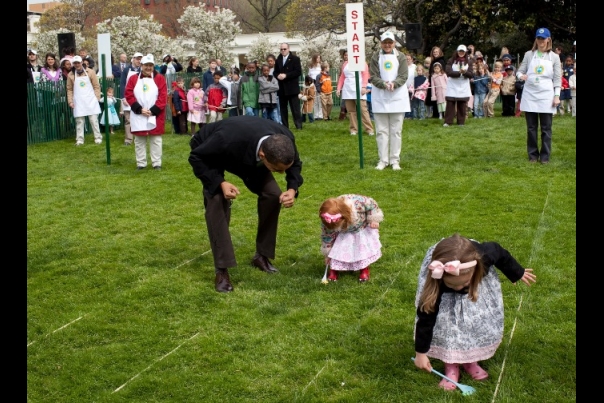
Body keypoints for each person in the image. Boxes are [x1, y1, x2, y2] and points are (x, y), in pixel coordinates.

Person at [188, 116, 304, 293]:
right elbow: (196, 157)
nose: (281, 173)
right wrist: (220, 182)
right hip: (212, 154)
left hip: (248, 152)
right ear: (263, 155)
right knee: (218, 201)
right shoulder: (226, 139)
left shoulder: (284, 138)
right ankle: (222, 270)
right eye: (277, 169)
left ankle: (261, 256)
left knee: (273, 195)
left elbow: (294, 163)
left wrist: (292, 188)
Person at [413, 234, 536, 391]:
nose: (458, 288)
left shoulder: (483, 257)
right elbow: (426, 318)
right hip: (444, 297)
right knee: (449, 328)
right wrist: (421, 353)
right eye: (452, 284)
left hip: (474, 291)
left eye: (463, 283)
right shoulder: (436, 282)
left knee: (473, 323)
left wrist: (517, 271)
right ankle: (451, 367)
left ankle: (470, 361)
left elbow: (498, 251)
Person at [516, 27, 561, 164]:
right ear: (536, 39)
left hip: (546, 94)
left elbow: (557, 78)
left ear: (548, 39)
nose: (541, 41)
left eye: (543, 38)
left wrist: (557, 95)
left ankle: (545, 156)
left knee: (546, 128)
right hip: (530, 94)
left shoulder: (554, 57)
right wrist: (520, 75)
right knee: (531, 127)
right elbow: (520, 70)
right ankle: (533, 155)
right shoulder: (529, 54)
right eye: (539, 38)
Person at [369, 31, 410, 171]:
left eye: (390, 42)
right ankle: (383, 160)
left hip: (397, 97)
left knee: (396, 131)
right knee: (381, 131)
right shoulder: (375, 57)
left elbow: (404, 75)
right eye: (385, 42)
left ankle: (395, 160)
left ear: (394, 43)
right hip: (380, 97)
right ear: (381, 43)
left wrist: (394, 83)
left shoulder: (401, 57)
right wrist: (383, 84)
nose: (387, 45)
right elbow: (373, 76)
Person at [319, 194, 383, 283]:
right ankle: (334, 270)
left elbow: (372, 205)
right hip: (342, 234)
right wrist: (327, 254)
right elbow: (327, 237)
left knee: (361, 250)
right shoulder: (326, 222)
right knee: (336, 250)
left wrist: (373, 219)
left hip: (359, 230)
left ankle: (364, 269)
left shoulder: (359, 203)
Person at [124, 54, 168, 170]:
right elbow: (128, 94)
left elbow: (163, 97)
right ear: (141, 65)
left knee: (156, 140)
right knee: (139, 140)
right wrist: (139, 109)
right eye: (146, 65)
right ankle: (141, 163)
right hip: (139, 114)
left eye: (151, 65)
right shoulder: (133, 79)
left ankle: (156, 163)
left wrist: (153, 110)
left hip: (155, 114)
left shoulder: (159, 78)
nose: (148, 68)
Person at [67, 55, 103, 145]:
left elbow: (96, 86)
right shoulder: (70, 75)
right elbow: (69, 89)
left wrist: (97, 98)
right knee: (79, 121)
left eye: (78, 62)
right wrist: (70, 101)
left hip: (91, 100)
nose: (77, 64)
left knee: (93, 120)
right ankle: (79, 139)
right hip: (78, 101)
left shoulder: (90, 72)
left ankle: (98, 137)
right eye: (75, 63)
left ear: (82, 62)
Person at [336, 49, 374, 136]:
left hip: (359, 88)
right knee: (351, 111)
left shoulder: (361, 62)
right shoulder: (345, 64)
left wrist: (364, 87)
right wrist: (339, 88)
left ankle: (369, 129)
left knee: (363, 110)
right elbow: (342, 77)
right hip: (348, 89)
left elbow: (365, 75)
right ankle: (353, 129)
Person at [273, 43, 303, 130]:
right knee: (283, 108)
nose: (283, 51)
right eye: (281, 49)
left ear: (289, 49)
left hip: (292, 88)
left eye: (284, 49)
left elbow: (298, 72)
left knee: (295, 108)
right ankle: (285, 126)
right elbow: (275, 72)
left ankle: (298, 126)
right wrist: (278, 75)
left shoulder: (295, 59)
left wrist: (286, 75)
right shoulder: (278, 59)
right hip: (282, 88)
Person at [443, 45, 474, 127]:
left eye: (463, 51)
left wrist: (465, 72)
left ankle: (461, 122)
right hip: (452, 85)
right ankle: (448, 121)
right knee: (450, 104)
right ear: (457, 52)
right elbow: (448, 72)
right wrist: (459, 73)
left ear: (465, 52)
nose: (461, 53)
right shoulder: (451, 60)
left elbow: (471, 74)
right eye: (460, 51)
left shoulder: (469, 62)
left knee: (462, 104)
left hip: (463, 85)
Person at [120, 52, 144, 146]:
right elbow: (122, 84)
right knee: (128, 119)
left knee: (139, 117)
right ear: (133, 59)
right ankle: (128, 139)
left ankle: (139, 137)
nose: (139, 61)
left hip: (139, 98)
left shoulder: (142, 70)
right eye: (137, 59)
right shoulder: (126, 70)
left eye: (140, 59)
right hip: (128, 97)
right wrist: (124, 97)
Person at [266, 53, 282, 124]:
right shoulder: (266, 70)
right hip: (269, 91)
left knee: (277, 107)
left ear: (274, 61)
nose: (270, 62)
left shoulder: (277, 69)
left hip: (276, 90)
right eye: (268, 61)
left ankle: (279, 121)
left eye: (271, 61)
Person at [308, 53, 323, 120]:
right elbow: (309, 75)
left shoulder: (321, 66)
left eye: (319, 58)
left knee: (320, 99)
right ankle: (316, 115)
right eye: (317, 58)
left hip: (319, 84)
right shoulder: (311, 66)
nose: (318, 59)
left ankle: (320, 115)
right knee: (315, 100)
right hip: (313, 84)